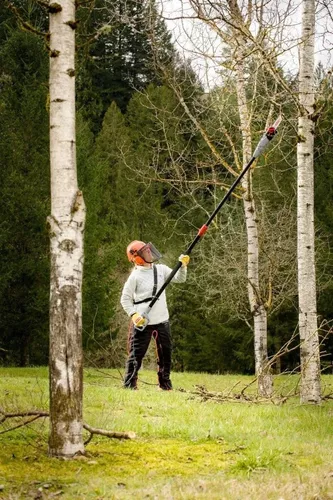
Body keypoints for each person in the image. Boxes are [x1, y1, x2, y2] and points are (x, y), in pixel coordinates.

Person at [120, 240, 190, 390]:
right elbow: (125, 299)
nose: (149, 253)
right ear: (137, 257)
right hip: (142, 323)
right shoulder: (135, 277)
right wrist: (133, 315)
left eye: (148, 250)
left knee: (166, 355)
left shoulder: (161, 269)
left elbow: (180, 278)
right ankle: (129, 386)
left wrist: (182, 266)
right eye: (145, 251)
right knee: (135, 356)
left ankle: (165, 385)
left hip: (162, 321)